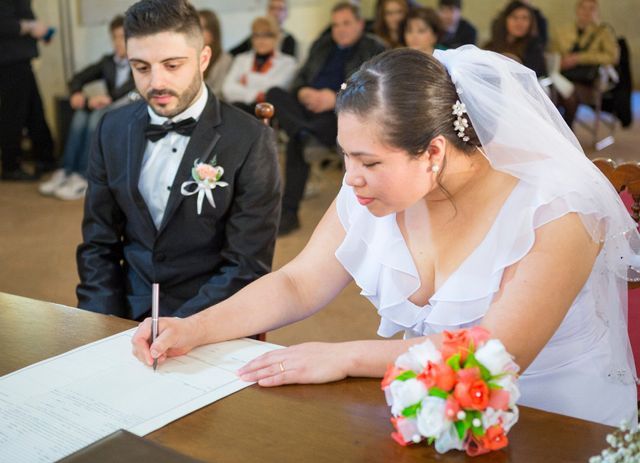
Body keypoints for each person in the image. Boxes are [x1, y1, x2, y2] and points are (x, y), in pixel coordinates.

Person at [132, 47, 639, 428]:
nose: (350, 178)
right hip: (431, 408)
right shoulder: (372, 192)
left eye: (369, 161)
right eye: (347, 155)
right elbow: (298, 283)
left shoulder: (556, 208)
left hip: (563, 423)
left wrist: (346, 355)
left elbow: (494, 355)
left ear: (434, 152)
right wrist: (194, 328)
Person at [76, 0, 281, 321]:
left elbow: (246, 265)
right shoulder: (111, 128)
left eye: (172, 65)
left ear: (203, 59)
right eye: (141, 67)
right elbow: (98, 244)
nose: (156, 83)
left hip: (210, 314)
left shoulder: (250, 140)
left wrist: (183, 330)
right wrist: (100, 323)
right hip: (126, 310)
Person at [266, 2, 385, 235]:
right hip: (307, 109)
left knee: (297, 141)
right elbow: (299, 79)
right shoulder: (322, 45)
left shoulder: (373, 47)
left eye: (346, 23)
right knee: (274, 94)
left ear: (360, 24)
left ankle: (289, 213)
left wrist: (336, 97)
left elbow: (375, 90)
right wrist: (303, 91)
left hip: (340, 113)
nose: (340, 29)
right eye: (335, 25)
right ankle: (304, 132)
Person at [39, 15, 135, 201]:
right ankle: (66, 170)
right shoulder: (108, 61)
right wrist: (77, 92)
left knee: (95, 117)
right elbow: (78, 78)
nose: (118, 42)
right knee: (81, 114)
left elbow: (132, 88)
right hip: (107, 106)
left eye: (123, 37)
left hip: (129, 108)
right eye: (115, 37)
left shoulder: (140, 61)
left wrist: (107, 98)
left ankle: (85, 175)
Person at [0, 0, 56, 181]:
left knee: (35, 111)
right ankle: (10, 165)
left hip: (20, 59)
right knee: (14, 114)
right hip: (10, 62)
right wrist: (31, 27)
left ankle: (46, 158)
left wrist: (39, 32)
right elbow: (5, 24)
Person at [551, 0, 619, 129]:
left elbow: (612, 57)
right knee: (552, 94)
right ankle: (557, 132)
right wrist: (560, 62)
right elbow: (553, 53)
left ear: (597, 12)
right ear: (577, 10)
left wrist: (579, 58)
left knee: (569, 95)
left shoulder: (604, 32)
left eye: (591, 9)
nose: (587, 12)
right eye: (583, 8)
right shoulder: (563, 31)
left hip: (589, 82)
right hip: (564, 77)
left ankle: (567, 132)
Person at [222, 16, 297, 113]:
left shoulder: (289, 63)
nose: (261, 40)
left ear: (277, 38)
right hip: (242, 109)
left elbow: (274, 91)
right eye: (256, 35)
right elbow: (227, 89)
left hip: (271, 112)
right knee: (236, 108)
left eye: (267, 35)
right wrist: (257, 95)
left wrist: (247, 79)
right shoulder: (241, 59)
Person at [484, 0, 546, 77]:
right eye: (514, 17)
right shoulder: (491, 45)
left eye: (525, 18)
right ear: (505, 20)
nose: (519, 23)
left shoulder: (534, 48)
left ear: (531, 22)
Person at [229, 0, 297, 58]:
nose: (276, 13)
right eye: (272, 8)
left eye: (280, 9)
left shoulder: (289, 40)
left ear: (287, 13)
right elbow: (232, 53)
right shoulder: (255, 36)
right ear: (267, 11)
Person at [199, 9, 232, 99]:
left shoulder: (224, 59)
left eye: (202, 28)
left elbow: (218, 91)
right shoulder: (191, 56)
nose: (197, 32)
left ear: (213, 32)